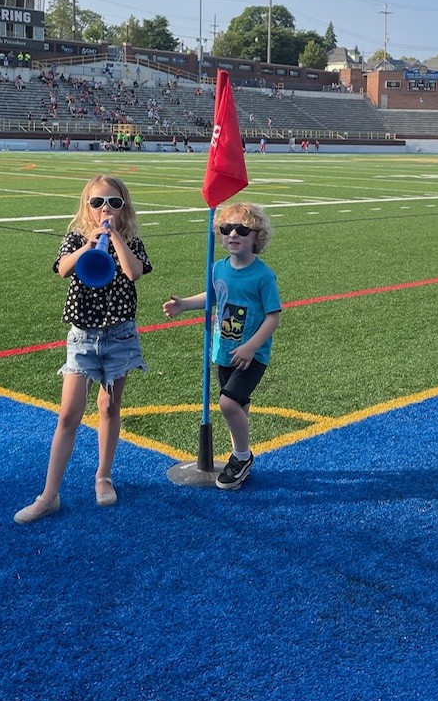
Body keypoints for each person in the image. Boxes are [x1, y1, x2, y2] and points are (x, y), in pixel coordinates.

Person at [14, 175, 152, 523]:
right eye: (97, 202)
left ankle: (103, 476)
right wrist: (89, 245)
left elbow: (134, 274)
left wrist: (115, 236)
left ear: (125, 207)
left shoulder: (132, 240)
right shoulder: (76, 237)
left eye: (114, 203)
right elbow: (62, 269)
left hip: (119, 335)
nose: (105, 208)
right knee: (68, 415)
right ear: (86, 206)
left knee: (109, 407)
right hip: (83, 336)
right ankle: (49, 494)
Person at [162, 203, 281, 491]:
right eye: (227, 229)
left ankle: (242, 457)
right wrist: (184, 305)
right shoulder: (218, 268)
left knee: (227, 403)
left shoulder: (263, 276)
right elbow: (213, 295)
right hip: (224, 351)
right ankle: (239, 452)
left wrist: (251, 347)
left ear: (257, 236)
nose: (233, 234)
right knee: (238, 405)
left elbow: (273, 317)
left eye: (242, 229)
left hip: (252, 356)